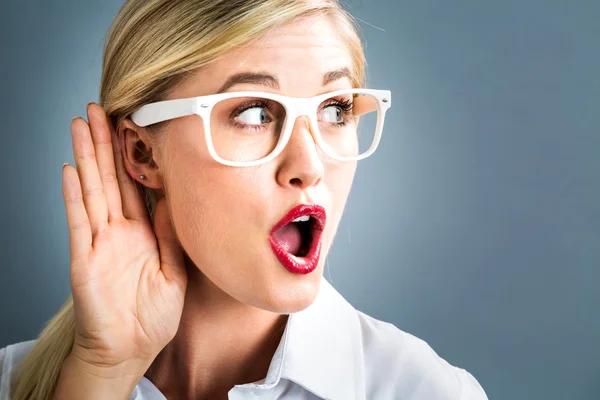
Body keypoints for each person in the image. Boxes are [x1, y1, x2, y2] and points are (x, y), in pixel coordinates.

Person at [0, 0, 488, 399]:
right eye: (255, 112)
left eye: (335, 109)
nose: (309, 164)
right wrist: (101, 375)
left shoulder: (425, 390)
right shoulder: (16, 381)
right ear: (142, 152)